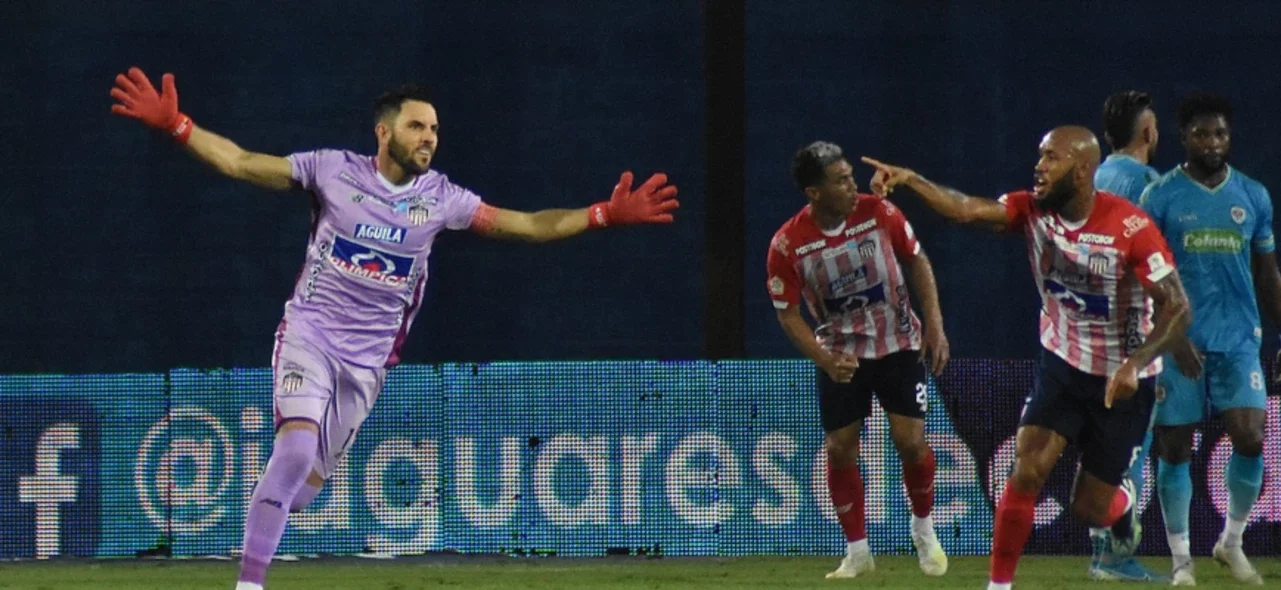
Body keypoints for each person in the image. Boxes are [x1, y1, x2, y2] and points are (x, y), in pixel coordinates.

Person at [109, 66, 679, 590]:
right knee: (294, 451)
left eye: (433, 128)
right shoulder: (332, 172)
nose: (428, 136)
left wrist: (602, 214)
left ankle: (274, 502)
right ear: (384, 132)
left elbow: (527, 226)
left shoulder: (442, 200)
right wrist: (178, 126)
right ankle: (249, 585)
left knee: (301, 488)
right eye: (416, 126)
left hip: (367, 366)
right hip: (309, 336)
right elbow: (241, 162)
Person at [862, 125, 1192, 590]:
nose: (1039, 167)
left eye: (1051, 158)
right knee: (1027, 469)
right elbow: (963, 209)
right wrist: (911, 179)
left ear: (1081, 171)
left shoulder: (1130, 227)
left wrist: (1136, 363)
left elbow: (1177, 306)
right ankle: (999, 586)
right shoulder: (1031, 209)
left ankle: (1121, 505)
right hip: (1061, 364)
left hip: (1121, 378)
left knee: (1088, 507)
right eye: (1040, 156)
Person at [766, 141, 950, 580]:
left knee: (909, 441)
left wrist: (936, 324)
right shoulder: (788, 244)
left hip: (898, 343)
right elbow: (787, 314)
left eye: (851, 176)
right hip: (842, 355)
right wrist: (824, 358)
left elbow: (917, 260)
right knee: (839, 448)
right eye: (841, 180)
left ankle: (923, 529)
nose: (853, 186)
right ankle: (858, 552)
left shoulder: (879, 213)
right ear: (814, 192)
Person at [1141, 93, 1276, 586]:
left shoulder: (1253, 195)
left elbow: (1267, 273)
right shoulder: (1161, 197)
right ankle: (1181, 560)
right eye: (1202, 133)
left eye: (1220, 133)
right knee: (1174, 448)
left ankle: (1231, 542)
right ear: (1184, 138)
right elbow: (1145, 275)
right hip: (1181, 343)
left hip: (1239, 338)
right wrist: (1170, 336)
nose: (1212, 142)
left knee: (1250, 436)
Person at [1086, 89, 1167, 582]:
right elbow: (1158, 270)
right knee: (1130, 449)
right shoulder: (1150, 186)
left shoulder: (1090, 178)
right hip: (1132, 336)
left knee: (1102, 450)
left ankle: (1101, 553)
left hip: (1081, 334)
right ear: (1148, 132)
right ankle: (1118, 558)